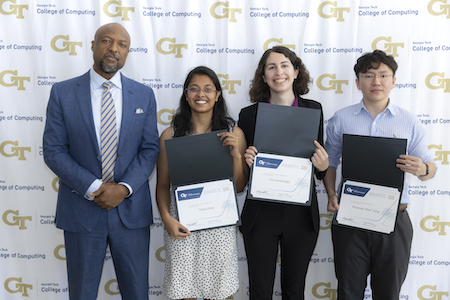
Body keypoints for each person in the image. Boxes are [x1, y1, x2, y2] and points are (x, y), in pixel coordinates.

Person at [43, 23, 159, 300]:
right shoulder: (63, 93)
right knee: (82, 294)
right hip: (82, 211)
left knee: (137, 294)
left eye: (122, 44)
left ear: (128, 52)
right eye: (106, 41)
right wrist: (94, 186)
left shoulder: (143, 95)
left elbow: (150, 149)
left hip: (131, 213)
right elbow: (54, 150)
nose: (113, 49)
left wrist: (124, 188)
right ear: (93, 45)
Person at [324, 50, 437, 299]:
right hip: (351, 218)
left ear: (394, 81)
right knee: (348, 292)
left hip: (395, 219)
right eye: (369, 75)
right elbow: (330, 164)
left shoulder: (409, 121)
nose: (377, 82)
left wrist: (423, 169)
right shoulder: (341, 119)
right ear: (358, 82)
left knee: (388, 293)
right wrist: (331, 194)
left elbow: (430, 167)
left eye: (383, 75)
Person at [238, 46, 329, 300]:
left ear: (296, 71)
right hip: (261, 214)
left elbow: (319, 167)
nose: (279, 72)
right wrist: (246, 161)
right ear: (264, 76)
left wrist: (322, 166)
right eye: (271, 67)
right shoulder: (248, 115)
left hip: (301, 215)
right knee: (260, 291)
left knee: (294, 290)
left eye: (285, 65)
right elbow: (241, 176)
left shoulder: (314, 110)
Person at [156, 66, 248, 300]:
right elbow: (162, 185)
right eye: (194, 89)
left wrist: (236, 155)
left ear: (218, 95)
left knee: (218, 294)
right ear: (186, 94)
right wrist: (167, 219)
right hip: (182, 224)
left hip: (220, 226)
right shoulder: (171, 135)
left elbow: (238, 187)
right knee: (183, 293)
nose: (201, 94)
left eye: (208, 89)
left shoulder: (233, 133)